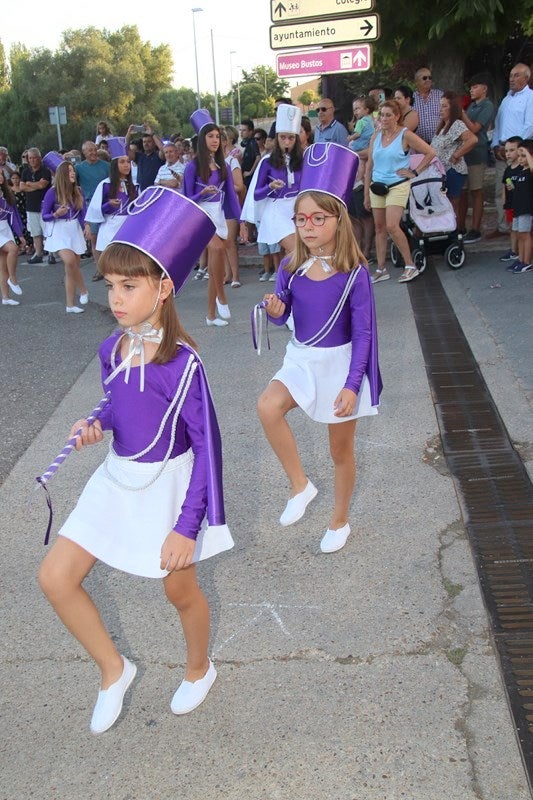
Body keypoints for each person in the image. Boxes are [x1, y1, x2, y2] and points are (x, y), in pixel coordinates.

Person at [38, 186, 233, 735]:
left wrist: (186, 528)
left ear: (164, 288)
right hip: (115, 481)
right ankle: (113, 669)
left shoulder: (185, 365)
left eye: (130, 286)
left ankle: (199, 668)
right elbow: (118, 401)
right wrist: (96, 424)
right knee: (55, 577)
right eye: (112, 286)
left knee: (179, 589)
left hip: (170, 489)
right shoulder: (112, 349)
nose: (116, 299)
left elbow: (208, 450)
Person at [256, 142, 382, 553]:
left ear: (337, 219)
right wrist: (275, 310)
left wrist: (351, 385)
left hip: (341, 364)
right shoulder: (291, 267)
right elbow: (283, 316)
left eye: (317, 218)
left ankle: (340, 519)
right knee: (267, 407)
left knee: (339, 449)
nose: (307, 226)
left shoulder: (354, 273)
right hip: (301, 357)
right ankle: (300, 484)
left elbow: (363, 334)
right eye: (301, 219)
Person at [182, 109, 247, 327]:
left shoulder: (224, 166)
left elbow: (232, 197)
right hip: (198, 216)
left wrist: (242, 222)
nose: (215, 140)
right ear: (202, 140)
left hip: (218, 215)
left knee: (216, 263)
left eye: (217, 136)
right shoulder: (192, 167)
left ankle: (210, 315)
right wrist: (202, 193)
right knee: (218, 250)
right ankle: (222, 296)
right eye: (210, 136)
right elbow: (186, 198)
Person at [364, 100, 436, 284]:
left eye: (389, 115)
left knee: (391, 225)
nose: (384, 118)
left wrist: (415, 172)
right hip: (377, 185)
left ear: (397, 116)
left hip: (398, 183)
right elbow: (369, 166)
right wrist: (366, 193)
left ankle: (410, 265)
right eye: (382, 115)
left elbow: (430, 152)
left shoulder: (405, 135)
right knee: (379, 228)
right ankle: (381, 268)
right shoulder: (376, 136)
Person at [488, 63, 533, 238]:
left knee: (523, 190)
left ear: (526, 78)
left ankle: (524, 229)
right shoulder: (506, 99)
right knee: (504, 189)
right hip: (503, 151)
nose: (512, 79)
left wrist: (515, 147)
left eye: (516, 75)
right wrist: (495, 146)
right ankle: (505, 226)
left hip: (521, 152)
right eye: (511, 75)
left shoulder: (530, 97)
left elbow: (530, 125)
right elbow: (499, 124)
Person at [253, 104, 303, 258]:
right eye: (283, 137)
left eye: (291, 138)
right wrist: (270, 187)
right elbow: (256, 194)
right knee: (296, 252)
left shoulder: (303, 160)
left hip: (298, 209)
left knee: (297, 255)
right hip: (276, 211)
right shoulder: (267, 162)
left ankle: (285, 281)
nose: (287, 142)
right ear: (277, 138)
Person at [41, 159, 89, 314]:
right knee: (69, 262)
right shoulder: (52, 192)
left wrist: (86, 226)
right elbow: (44, 215)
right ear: (62, 174)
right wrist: (56, 214)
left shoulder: (78, 191)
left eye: (73, 170)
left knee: (72, 267)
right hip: (59, 230)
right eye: (69, 171)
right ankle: (83, 290)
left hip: (74, 228)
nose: (73, 173)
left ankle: (70, 305)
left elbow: (83, 214)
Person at [457, 74, 495, 243]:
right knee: (463, 192)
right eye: (470, 88)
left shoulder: (487, 106)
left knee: (477, 191)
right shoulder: (472, 105)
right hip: (465, 153)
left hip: (477, 153)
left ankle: (475, 229)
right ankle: (461, 227)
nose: (472, 90)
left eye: (475, 87)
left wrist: (462, 113)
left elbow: (474, 128)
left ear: (484, 88)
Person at [85, 138, 138, 256]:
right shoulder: (105, 185)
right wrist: (109, 204)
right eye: (122, 162)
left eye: (128, 162)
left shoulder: (135, 186)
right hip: (110, 229)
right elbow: (95, 211)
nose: (126, 165)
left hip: (129, 228)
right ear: (115, 165)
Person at [430, 92, 477, 218]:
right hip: (441, 170)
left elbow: (472, 139)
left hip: (453, 170)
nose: (441, 109)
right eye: (440, 106)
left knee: (452, 203)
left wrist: (457, 154)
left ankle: (453, 231)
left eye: (444, 106)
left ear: (453, 108)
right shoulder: (442, 127)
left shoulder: (456, 124)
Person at [75, 141, 110, 277]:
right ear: (83, 153)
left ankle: (110, 266)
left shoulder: (106, 166)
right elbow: (73, 185)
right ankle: (100, 268)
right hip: (91, 204)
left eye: (94, 149)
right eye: (89, 150)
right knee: (94, 237)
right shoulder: (79, 168)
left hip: (106, 203)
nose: (93, 152)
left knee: (108, 236)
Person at [20, 147, 52, 264]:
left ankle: (51, 254)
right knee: (35, 232)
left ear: (39, 158)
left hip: (45, 206)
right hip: (31, 206)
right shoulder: (25, 172)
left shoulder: (45, 171)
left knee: (47, 232)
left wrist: (29, 184)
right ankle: (38, 253)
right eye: (30, 158)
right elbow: (22, 187)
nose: (33, 160)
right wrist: (34, 185)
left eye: (35, 158)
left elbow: (42, 185)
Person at [508, 139, 533, 272]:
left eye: (524, 156)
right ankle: (521, 259)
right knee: (519, 234)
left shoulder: (530, 171)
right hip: (518, 208)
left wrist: (527, 154)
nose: (521, 159)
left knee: (525, 234)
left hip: (526, 209)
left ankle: (527, 261)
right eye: (520, 156)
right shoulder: (521, 171)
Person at [499, 136, 523, 267]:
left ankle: (521, 251)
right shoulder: (508, 170)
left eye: (511, 150)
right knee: (512, 228)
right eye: (506, 150)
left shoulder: (523, 168)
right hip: (510, 204)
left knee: (521, 229)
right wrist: (504, 202)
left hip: (521, 204)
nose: (508, 153)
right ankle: (513, 250)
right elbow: (504, 187)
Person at [0, 170, 23, 305]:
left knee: (3, 266)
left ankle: (6, 297)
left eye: (1, 174)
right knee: (13, 249)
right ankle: (13, 278)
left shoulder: (6, 194)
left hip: (5, 229)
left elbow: (13, 217)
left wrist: (20, 235)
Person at [125, 125, 165, 191]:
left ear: (154, 143)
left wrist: (152, 134)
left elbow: (164, 150)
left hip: (155, 192)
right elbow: (126, 150)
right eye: (144, 142)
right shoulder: (139, 156)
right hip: (141, 193)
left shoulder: (158, 155)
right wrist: (128, 134)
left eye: (149, 141)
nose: (146, 144)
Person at [412, 67, 444, 143]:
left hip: (439, 141)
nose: (428, 80)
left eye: (430, 78)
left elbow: (447, 115)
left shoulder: (440, 95)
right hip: (419, 143)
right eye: (424, 78)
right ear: (416, 81)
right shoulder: (411, 98)